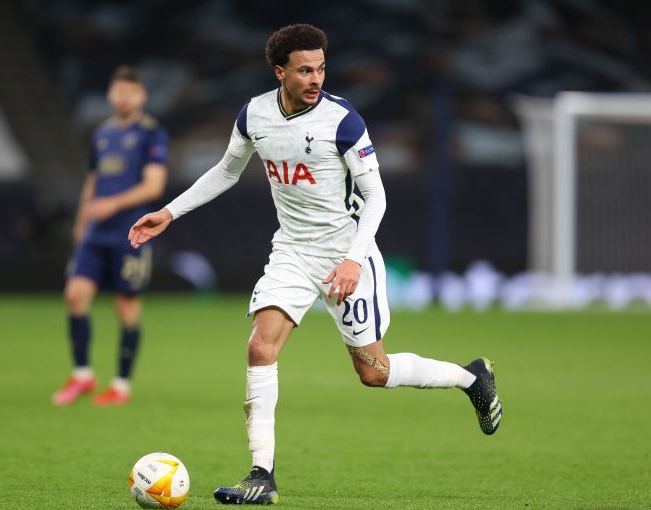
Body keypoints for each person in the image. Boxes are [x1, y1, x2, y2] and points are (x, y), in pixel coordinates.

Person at [128, 24, 502, 504]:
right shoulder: (255, 114)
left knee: (374, 372)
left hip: (347, 253)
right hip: (292, 251)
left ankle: (472, 377)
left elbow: (376, 198)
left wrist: (352, 260)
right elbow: (227, 170)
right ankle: (261, 475)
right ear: (279, 71)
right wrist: (169, 212)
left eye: (321, 67)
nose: (316, 78)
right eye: (305, 69)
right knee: (260, 349)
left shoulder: (342, 121)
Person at [52, 66, 169, 407]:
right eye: (118, 91)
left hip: (131, 232)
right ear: (109, 95)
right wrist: (81, 219)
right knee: (75, 295)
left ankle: (120, 383)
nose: (124, 97)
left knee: (126, 308)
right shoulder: (100, 134)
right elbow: (93, 179)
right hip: (96, 231)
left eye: (130, 92)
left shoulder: (152, 133)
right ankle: (83, 375)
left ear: (141, 96)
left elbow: (154, 185)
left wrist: (113, 203)